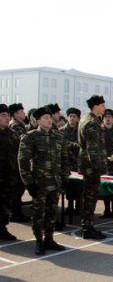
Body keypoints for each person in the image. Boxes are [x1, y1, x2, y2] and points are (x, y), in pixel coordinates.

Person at [18, 107, 69, 255]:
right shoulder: (30, 137)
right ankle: (39, 241)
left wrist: (64, 177)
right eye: (44, 118)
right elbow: (23, 161)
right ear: (38, 121)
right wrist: (28, 182)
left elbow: (65, 158)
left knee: (52, 212)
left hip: (55, 182)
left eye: (49, 117)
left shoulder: (58, 137)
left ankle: (49, 238)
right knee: (39, 213)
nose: (48, 120)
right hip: (39, 183)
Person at [79, 95, 108, 240]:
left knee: (88, 196)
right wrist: (98, 167)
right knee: (90, 197)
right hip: (91, 167)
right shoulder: (91, 123)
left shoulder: (88, 119)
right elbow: (92, 149)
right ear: (95, 106)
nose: (104, 107)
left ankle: (87, 226)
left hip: (88, 165)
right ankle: (87, 228)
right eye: (102, 105)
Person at [0, 104, 19, 240]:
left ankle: (2, 228)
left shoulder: (12, 135)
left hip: (9, 178)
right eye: (3, 115)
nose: (7, 118)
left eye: (7, 115)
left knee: (6, 205)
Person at [8, 103, 30, 222]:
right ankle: (15, 214)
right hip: (16, 162)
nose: (24, 113)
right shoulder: (16, 126)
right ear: (15, 114)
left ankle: (16, 213)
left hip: (17, 161)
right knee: (17, 190)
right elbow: (21, 142)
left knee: (19, 189)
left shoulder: (19, 124)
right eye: (21, 111)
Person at [60, 107, 81, 215]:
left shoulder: (81, 130)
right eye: (70, 116)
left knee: (79, 185)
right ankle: (69, 206)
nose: (72, 118)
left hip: (79, 162)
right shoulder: (62, 131)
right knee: (69, 186)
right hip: (67, 162)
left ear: (78, 118)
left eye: (74, 116)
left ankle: (78, 207)